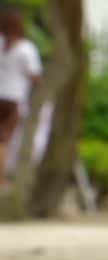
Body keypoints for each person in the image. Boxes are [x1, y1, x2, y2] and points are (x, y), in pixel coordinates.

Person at [0, 8, 41, 185]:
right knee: (4, 140)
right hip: (14, 98)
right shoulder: (26, 48)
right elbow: (35, 76)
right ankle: (2, 178)